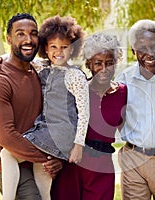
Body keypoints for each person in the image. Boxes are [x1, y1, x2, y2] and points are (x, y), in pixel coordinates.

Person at [0, 15, 89, 200]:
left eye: (64, 47)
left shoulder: (75, 76)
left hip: (60, 131)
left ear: (72, 49)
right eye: (53, 47)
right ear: (45, 49)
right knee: (42, 166)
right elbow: (14, 57)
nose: (59, 52)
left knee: (7, 153)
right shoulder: (42, 67)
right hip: (45, 128)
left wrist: (78, 145)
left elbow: (84, 112)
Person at [0, 13, 62, 199]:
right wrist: (51, 158)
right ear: (8, 39)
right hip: (14, 165)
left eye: (33, 33)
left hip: (41, 164)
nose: (28, 39)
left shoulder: (41, 71)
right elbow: (8, 138)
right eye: (20, 34)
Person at [51, 32, 127, 200]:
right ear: (89, 64)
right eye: (98, 63)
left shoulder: (123, 93)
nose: (104, 69)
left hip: (102, 166)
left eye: (109, 63)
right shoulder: (77, 89)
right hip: (73, 164)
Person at [115, 19, 155, 200]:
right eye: (142, 48)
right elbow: (116, 116)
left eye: (154, 46)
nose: (149, 53)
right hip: (133, 159)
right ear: (134, 50)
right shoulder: (124, 79)